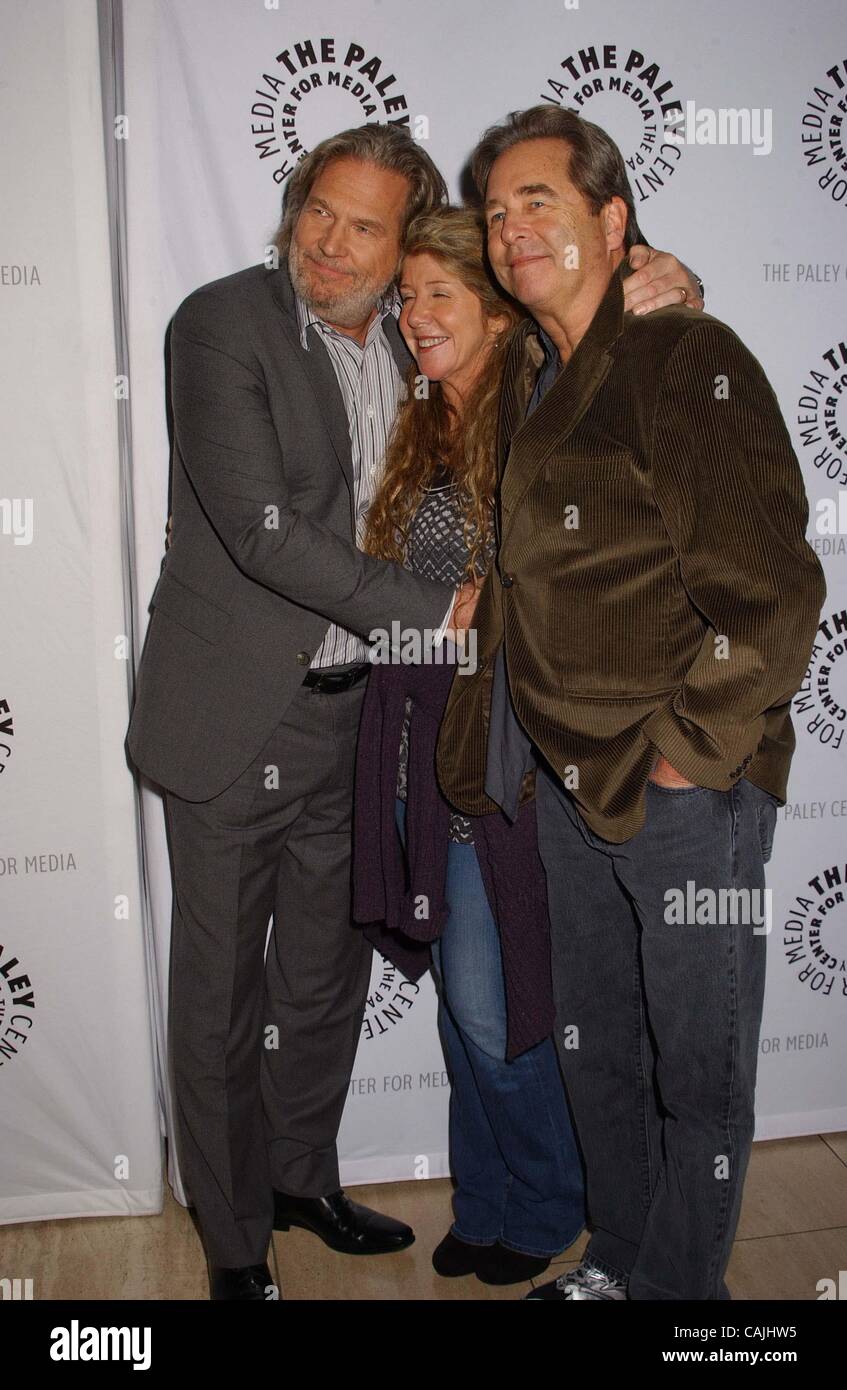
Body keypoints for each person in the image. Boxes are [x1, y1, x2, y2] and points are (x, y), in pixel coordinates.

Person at [126, 116, 703, 1300]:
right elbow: (260, 532)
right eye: (317, 213)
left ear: (409, 251)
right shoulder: (222, 324)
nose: (329, 245)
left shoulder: (414, 339)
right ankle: (236, 1239)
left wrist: (666, 270)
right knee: (224, 989)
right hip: (234, 722)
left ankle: (300, 1177)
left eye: (365, 229)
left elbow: (559, 304)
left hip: (365, 723)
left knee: (324, 983)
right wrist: (448, 609)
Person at [435, 104, 826, 1301]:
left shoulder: (682, 355)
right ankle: (617, 1257)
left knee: (693, 1065)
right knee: (593, 1043)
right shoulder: (542, 374)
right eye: (495, 213)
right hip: (567, 781)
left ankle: (680, 1296)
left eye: (536, 202)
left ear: (613, 218)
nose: (508, 230)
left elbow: (768, 594)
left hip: (682, 790)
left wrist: (680, 756)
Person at [354, 207, 585, 1286]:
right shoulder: (424, 427)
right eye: (405, 296)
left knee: (496, 997)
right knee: (457, 985)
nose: (414, 314)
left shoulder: (537, 412)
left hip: (495, 753)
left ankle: (547, 1199)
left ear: (498, 310)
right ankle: (485, 1193)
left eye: (439, 292)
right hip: (408, 734)